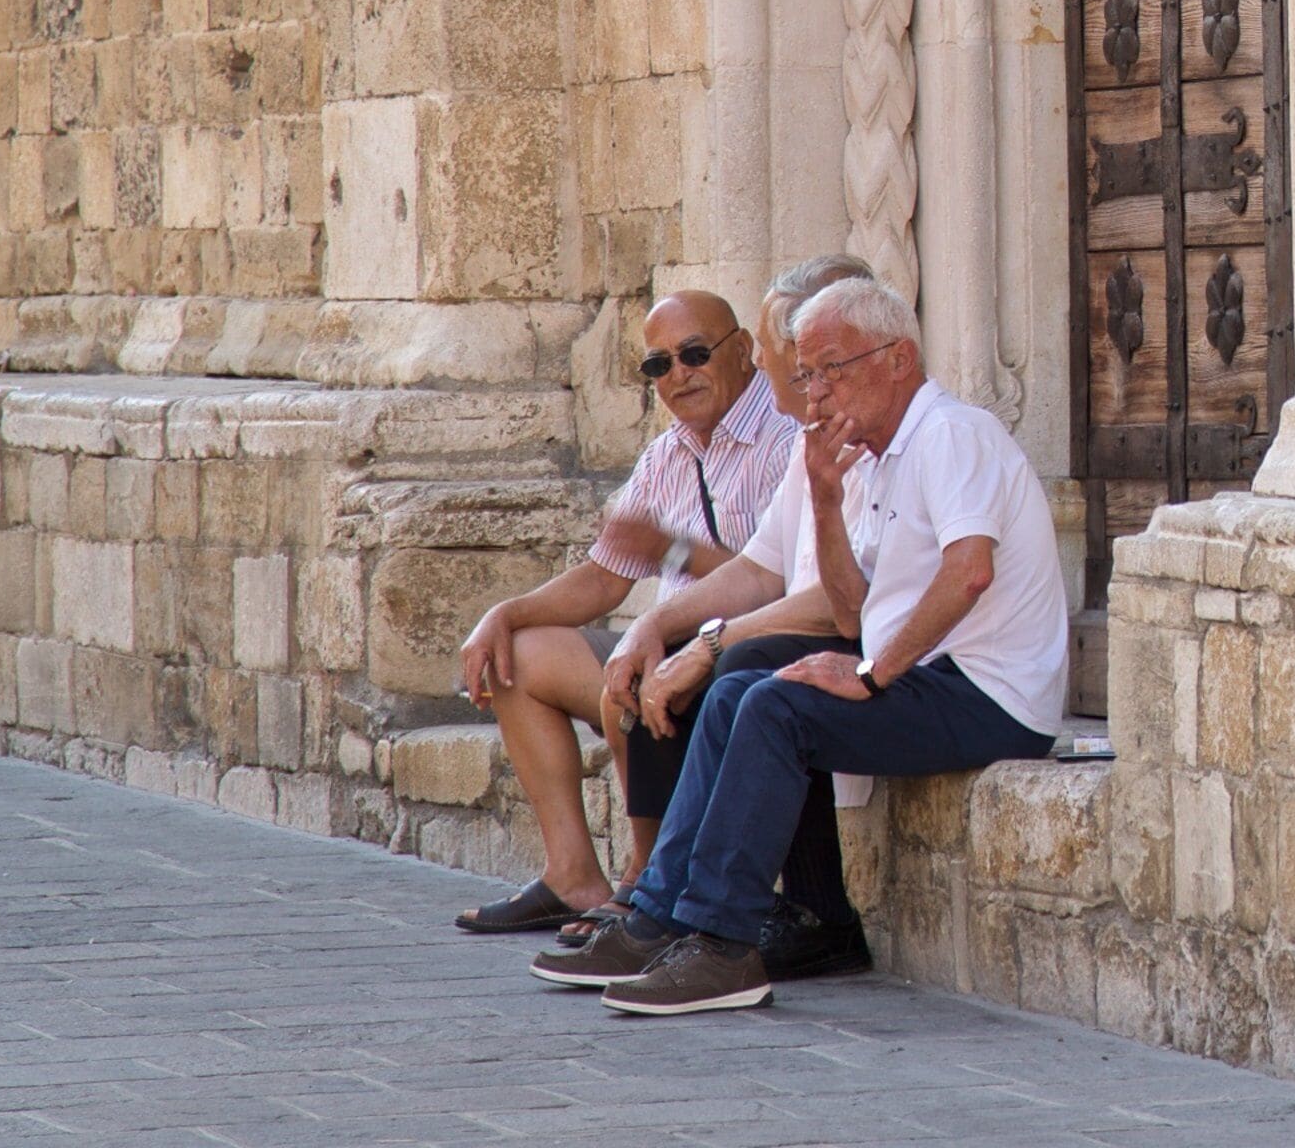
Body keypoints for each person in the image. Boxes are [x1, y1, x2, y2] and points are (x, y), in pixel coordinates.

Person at [529, 276, 1072, 1014]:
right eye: (808, 374)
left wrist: (875, 674)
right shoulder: (873, 455)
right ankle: (662, 916)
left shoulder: (950, 434)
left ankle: (723, 945)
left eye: (832, 370)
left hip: (990, 694)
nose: (815, 393)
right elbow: (850, 607)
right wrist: (823, 499)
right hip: (931, 679)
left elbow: (968, 571)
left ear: (899, 360)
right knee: (744, 691)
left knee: (774, 707)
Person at [450, 291, 798, 935]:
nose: (678, 375)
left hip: (745, 657)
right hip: (668, 649)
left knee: (635, 677)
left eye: (695, 354)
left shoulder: (786, 436)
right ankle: (573, 876)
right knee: (517, 656)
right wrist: (504, 612)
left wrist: (675, 551)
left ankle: (645, 883)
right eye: (657, 365)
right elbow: (607, 575)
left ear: (744, 350)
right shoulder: (670, 451)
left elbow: (781, 587)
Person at [581, 252, 883, 978]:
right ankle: (672, 906)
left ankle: (705, 924)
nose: (796, 386)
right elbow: (763, 570)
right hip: (868, 655)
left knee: (754, 678)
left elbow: (844, 608)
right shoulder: (822, 439)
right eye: (797, 368)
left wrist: (707, 642)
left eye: (805, 367)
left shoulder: (887, 439)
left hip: (936, 677)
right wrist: (661, 627)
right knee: (734, 667)